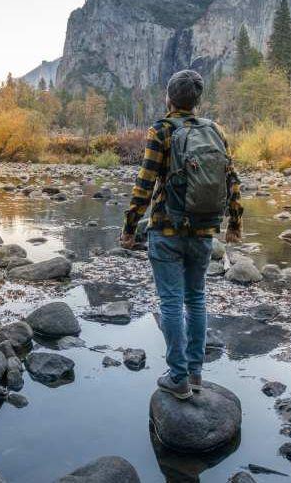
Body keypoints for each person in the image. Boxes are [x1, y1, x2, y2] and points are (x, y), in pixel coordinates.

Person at [120, 69, 244, 400]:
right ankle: (196, 373)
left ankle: (177, 377)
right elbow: (231, 177)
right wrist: (236, 223)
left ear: (169, 98)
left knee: (172, 301)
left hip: (167, 229)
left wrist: (130, 227)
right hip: (204, 231)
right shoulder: (214, 130)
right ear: (197, 100)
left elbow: (144, 184)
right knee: (197, 298)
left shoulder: (161, 130)